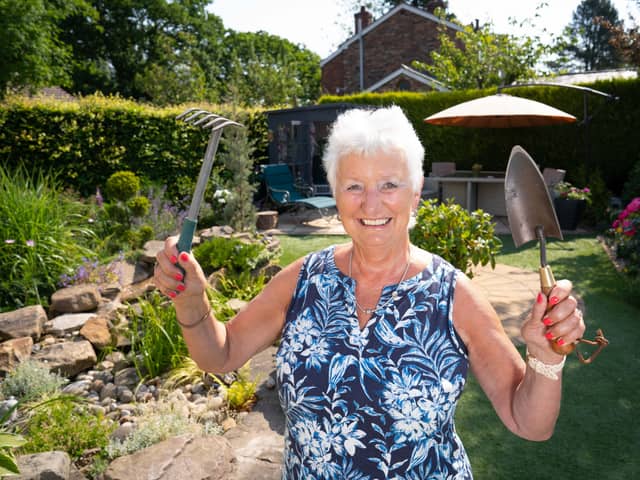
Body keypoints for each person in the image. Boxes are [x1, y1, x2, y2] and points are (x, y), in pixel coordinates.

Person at [154, 105, 586, 479]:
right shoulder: (302, 279)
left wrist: (546, 358)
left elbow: (530, 423)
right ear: (336, 195)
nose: (371, 204)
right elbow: (220, 354)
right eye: (354, 186)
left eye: (389, 185)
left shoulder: (455, 295)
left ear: (416, 193)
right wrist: (193, 303)